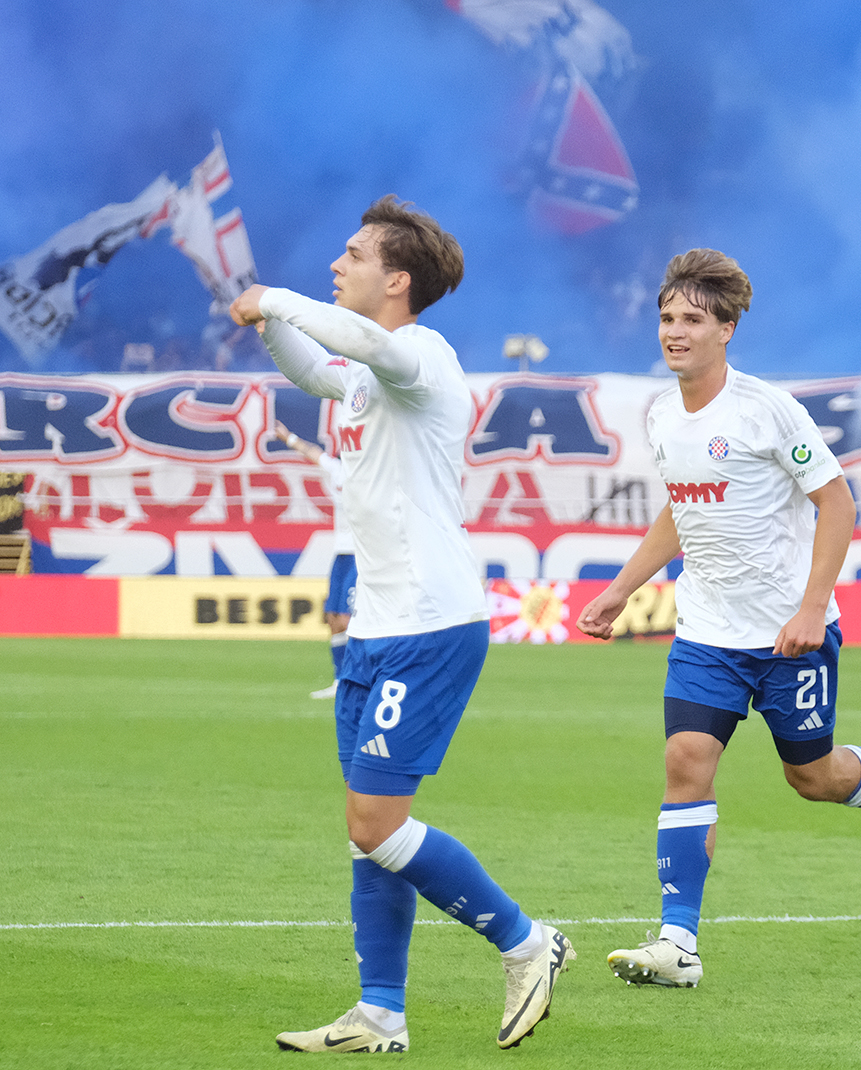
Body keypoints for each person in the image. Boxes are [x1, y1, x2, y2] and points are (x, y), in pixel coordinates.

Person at [229, 196, 573, 1053]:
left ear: (397, 279)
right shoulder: (365, 373)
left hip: (431, 621)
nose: (336, 265)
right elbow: (317, 372)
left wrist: (271, 297)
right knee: (365, 831)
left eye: (352, 255)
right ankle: (380, 1011)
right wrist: (269, 326)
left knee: (377, 823)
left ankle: (528, 944)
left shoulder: (420, 354)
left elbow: (364, 346)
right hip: (379, 627)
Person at [575, 249, 861, 990]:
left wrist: (812, 608)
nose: (674, 333)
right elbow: (682, 512)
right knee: (686, 761)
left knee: (811, 777)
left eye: (692, 320)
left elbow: (836, 503)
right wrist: (621, 588)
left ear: (727, 329)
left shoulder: (766, 410)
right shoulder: (660, 414)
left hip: (788, 635)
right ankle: (678, 942)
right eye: (666, 319)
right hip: (707, 631)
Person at [270, 419, 356, 698]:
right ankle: (340, 680)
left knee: (347, 618)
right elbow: (313, 452)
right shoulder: (339, 470)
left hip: (362, 553)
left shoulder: (374, 473)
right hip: (341, 553)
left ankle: (358, 678)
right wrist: (288, 438)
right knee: (332, 617)